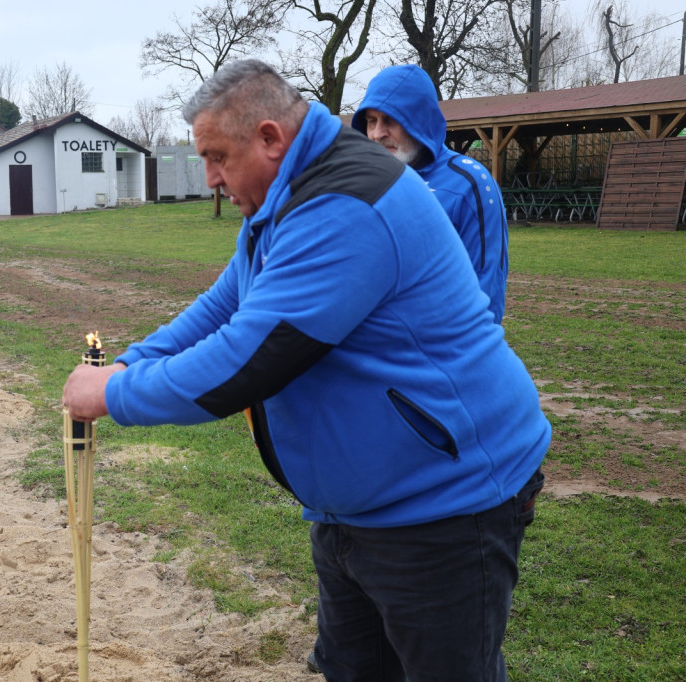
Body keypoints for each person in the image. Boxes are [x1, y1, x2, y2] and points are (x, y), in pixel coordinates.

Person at [63, 59, 549, 682]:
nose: (209, 178)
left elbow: (247, 361)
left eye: (216, 157)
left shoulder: (348, 203)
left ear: (269, 137)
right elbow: (225, 304)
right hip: (356, 511)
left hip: (443, 509)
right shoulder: (286, 195)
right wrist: (133, 359)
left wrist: (115, 393)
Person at [352, 64, 509, 324]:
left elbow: (486, 293)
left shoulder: (470, 184)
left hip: (434, 354)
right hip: (368, 352)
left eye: (389, 120)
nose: (377, 133)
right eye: (371, 121)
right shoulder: (359, 182)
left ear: (418, 120)